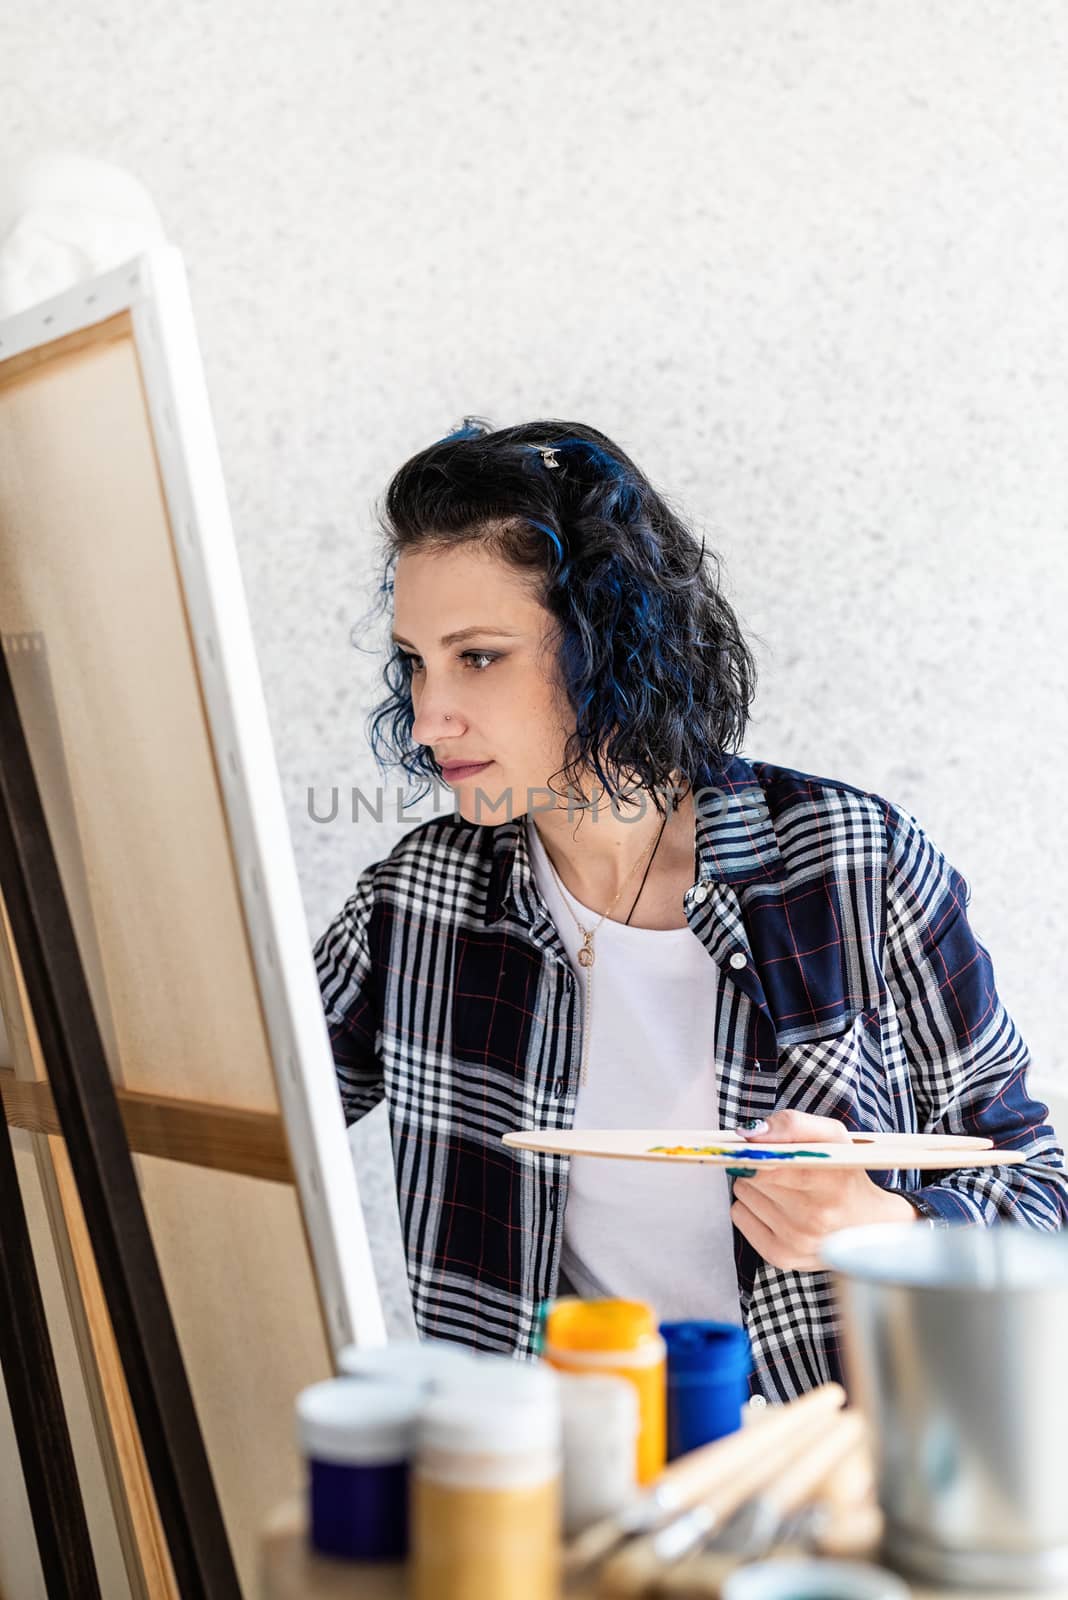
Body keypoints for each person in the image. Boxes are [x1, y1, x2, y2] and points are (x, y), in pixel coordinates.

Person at [313, 417, 1067, 1401]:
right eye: (415, 660)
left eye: (479, 657)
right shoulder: (415, 903)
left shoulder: (852, 862)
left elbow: (1038, 1193)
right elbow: (255, 1118)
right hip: (546, 1480)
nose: (426, 716)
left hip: (825, 1466)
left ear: (603, 642)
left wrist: (885, 1228)